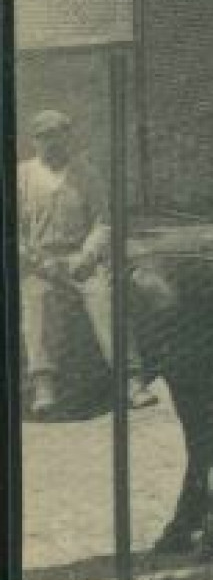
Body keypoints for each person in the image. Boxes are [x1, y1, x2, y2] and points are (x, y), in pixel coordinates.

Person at [18, 109, 157, 415]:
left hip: (82, 258)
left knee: (104, 300)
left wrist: (87, 256)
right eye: (44, 137)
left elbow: (103, 221)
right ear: (34, 141)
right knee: (35, 300)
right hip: (41, 263)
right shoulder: (22, 175)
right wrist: (36, 261)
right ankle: (44, 384)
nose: (52, 144)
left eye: (58, 136)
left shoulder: (86, 173)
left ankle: (132, 380)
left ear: (68, 138)